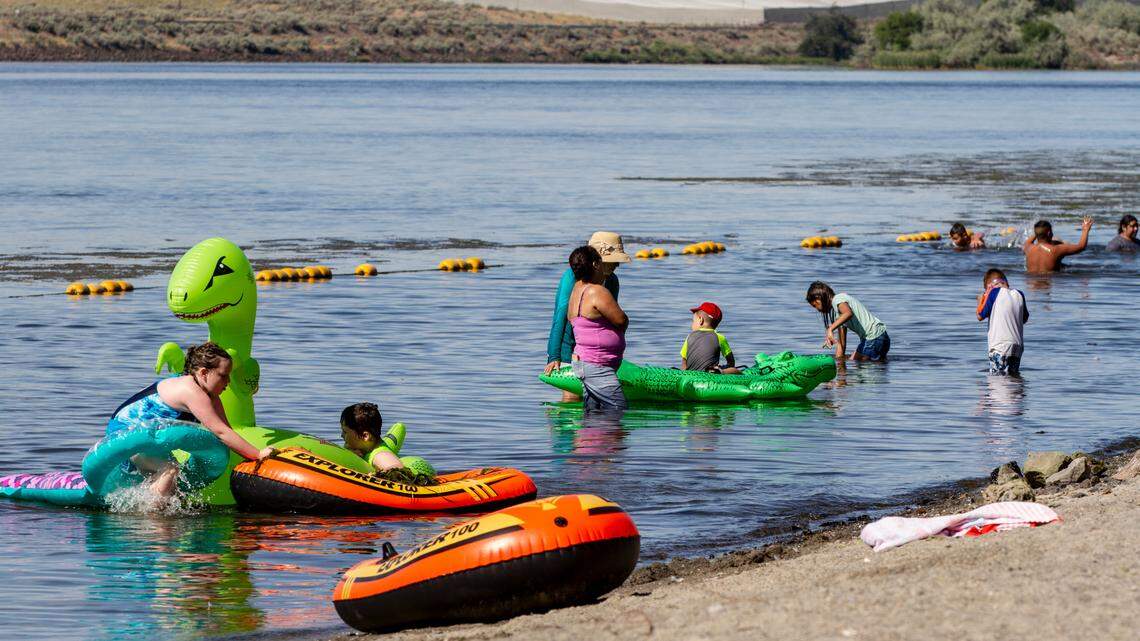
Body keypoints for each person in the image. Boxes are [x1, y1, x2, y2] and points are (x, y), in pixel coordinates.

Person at [106, 342, 274, 497]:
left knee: (171, 480)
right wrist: (258, 454)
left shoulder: (210, 395)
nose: (228, 381)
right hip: (126, 435)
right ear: (204, 373)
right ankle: (151, 515)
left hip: (148, 439)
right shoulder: (190, 391)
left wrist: (250, 456)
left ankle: (151, 509)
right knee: (170, 470)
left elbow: (226, 430)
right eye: (223, 375)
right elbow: (220, 432)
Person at [544, 231, 629, 401]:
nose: (617, 265)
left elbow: (612, 320)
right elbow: (560, 316)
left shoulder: (612, 281)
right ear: (597, 261)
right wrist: (554, 356)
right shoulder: (572, 277)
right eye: (613, 260)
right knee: (572, 397)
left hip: (599, 354)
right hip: (569, 346)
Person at [567, 245, 629, 410]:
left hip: (585, 363)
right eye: (601, 263)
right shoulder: (596, 291)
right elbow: (621, 320)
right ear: (595, 264)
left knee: (594, 413)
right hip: (596, 365)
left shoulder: (576, 290)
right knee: (618, 410)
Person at [805, 281, 890, 362]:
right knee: (876, 365)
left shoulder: (838, 299)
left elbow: (848, 313)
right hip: (880, 335)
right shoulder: (837, 314)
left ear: (819, 298)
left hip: (873, 337)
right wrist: (838, 362)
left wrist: (830, 329)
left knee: (859, 364)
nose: (817, 309)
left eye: (815, 305)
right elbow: (841, 344)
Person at [976, 268, 1028, 376]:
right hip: (1017, 346)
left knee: (997, 379)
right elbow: (1024, 319)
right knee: (1013, 378)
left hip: (1000, 346)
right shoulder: (1019, 294)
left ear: (989, 286)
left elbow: (980, 315)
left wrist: (980, 300)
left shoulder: (993, 292)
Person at [339, 402, 405, 472]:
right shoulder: (361, 448)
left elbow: (399, 473)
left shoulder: (380, 456)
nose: (341, 435)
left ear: (365, 436)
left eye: (345, 432)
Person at [680, 302, 741, 374]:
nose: (692, 324)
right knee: (735, 370)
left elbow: (684, 362)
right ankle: (720, 371)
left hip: (691, 374)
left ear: (700, 320)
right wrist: (724, 368)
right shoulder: (720, 337)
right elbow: (731, 362)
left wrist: (684, 374)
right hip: (710, 374)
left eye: (693, 321)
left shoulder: (689, 336)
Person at [1024, 217, 1092, 273]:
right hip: (1049, 280)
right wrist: (1085, 229)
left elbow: (1030, 240)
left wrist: (1039, 233)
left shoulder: (1028, 247)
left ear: (1036, 234)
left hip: (1031, 282)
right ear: (1049, 233)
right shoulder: (1056, 250)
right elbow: (1081, 246)